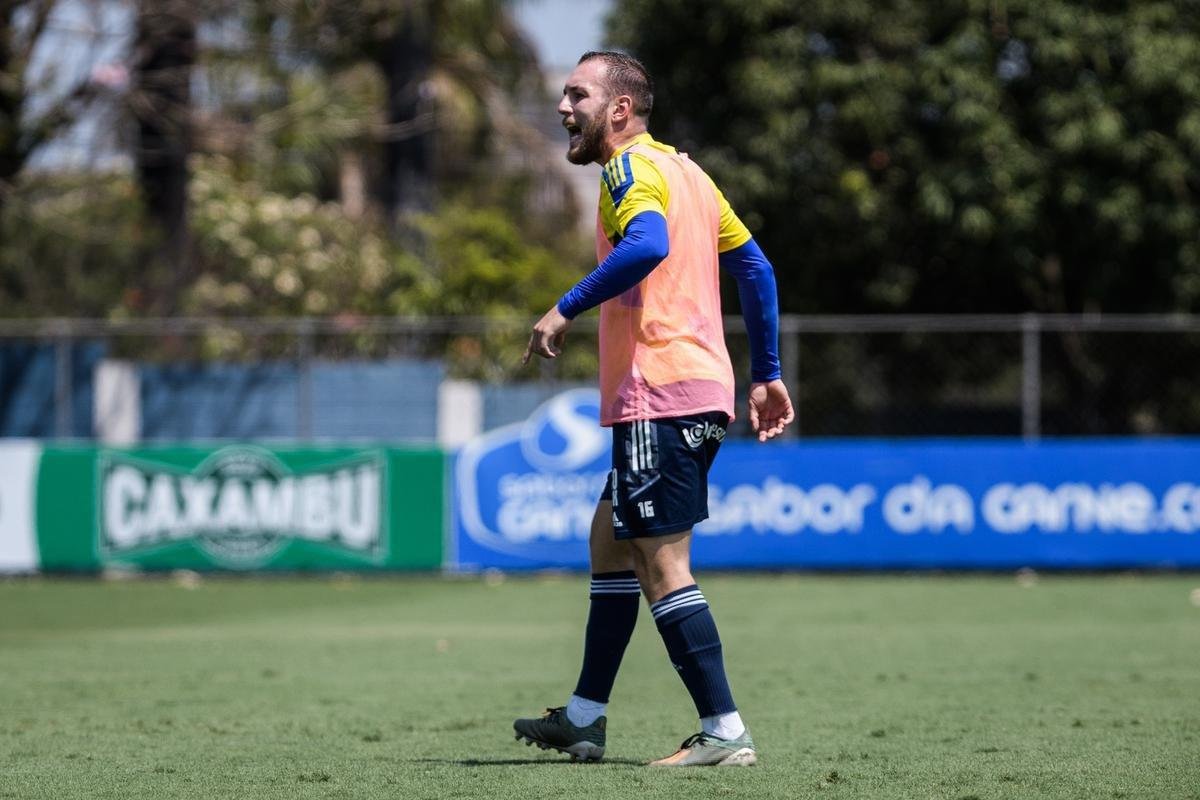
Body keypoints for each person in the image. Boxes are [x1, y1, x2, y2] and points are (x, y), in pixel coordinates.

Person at [515, 50, 794, 767]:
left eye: (576, 93)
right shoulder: (690, 173)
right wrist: (765, 373)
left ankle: (723, 731)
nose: (562, 107)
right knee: (610, 539)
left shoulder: (629, 168)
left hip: (659, 392)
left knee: (661, 563)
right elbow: (756, 268)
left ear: (619, 110)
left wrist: (564, 307)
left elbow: (647, 244)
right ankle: (584, 717)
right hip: (696, 389)